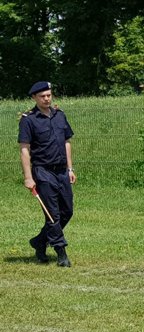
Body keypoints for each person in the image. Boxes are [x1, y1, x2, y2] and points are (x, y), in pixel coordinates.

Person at [18, 81, 76, 267]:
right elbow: (25, 150)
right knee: (52, 214)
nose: (46, 99)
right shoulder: (28, 119)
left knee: (67, 211)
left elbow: (67, 142)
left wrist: (70, 169)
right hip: (43, 172)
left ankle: (39, 241)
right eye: (42, 96)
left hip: (61, 172)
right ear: (34, 97)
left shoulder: (60, 115)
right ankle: (61, 252)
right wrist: (28, 177)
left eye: (49, 95)